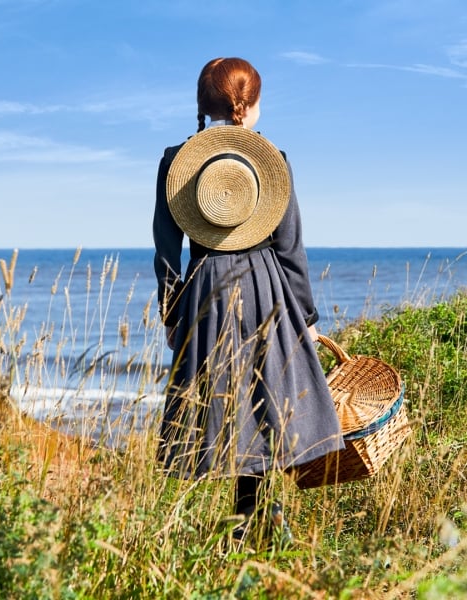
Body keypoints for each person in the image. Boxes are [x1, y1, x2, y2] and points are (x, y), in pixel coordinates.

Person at [152, 57, 343, 547]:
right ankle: (259, 525)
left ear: (204, 106)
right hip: (264, 285)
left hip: (204, 290)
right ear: (247, 105)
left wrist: (172, 312)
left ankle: (247, 526)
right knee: (267, 402)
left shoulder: (176, 160)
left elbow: (165, 250)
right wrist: (307, 317)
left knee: (224, 407)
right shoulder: (271, 159)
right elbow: (290, 246)